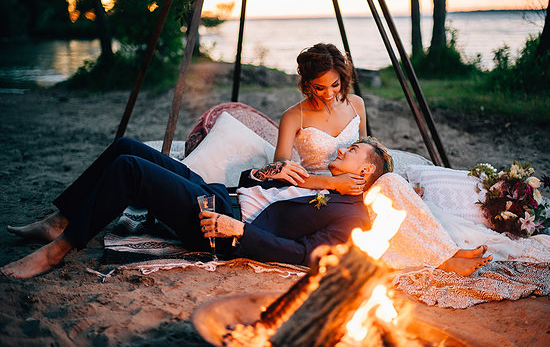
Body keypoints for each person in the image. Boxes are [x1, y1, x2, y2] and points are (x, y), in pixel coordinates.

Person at [2, 137, 491, 279]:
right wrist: (264, 174)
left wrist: (237, 231)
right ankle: (60, 220)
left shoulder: (352, 214)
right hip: (219, 192)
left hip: (216, 222)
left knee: (131, 170)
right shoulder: (309, 176)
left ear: (365, 174)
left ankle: (61, 249)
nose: (337, 153)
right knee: (126, 146)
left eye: (349, 153)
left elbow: (302, 255)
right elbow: (246, 184)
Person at [272, 43, 369, 195]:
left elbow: (367, 151)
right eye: (320, 87)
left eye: (335, 84)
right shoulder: (293, 117)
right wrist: (334, 183)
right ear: (307, 84)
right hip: (313, 190)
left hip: (356, 186)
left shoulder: (356, 104)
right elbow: (281, 171)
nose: (329, 93)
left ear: (342, 78)